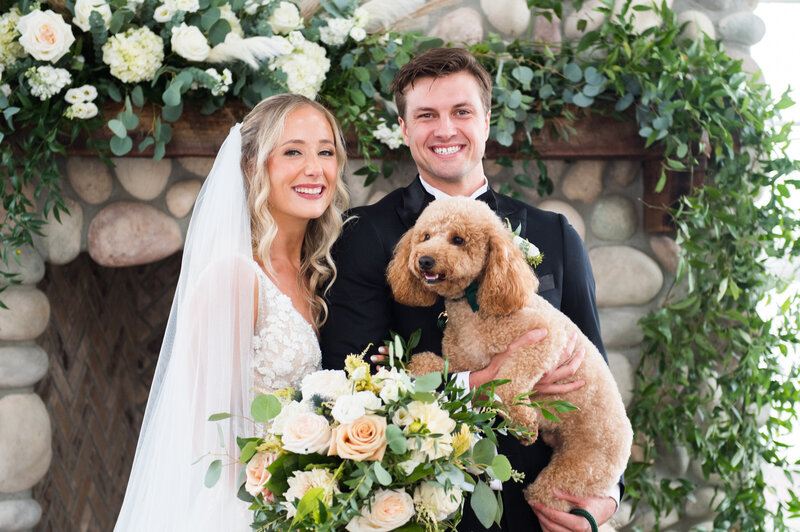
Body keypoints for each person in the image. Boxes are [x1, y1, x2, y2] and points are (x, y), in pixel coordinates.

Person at [320, 48, 620, 531]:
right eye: (426, 115)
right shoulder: (367, 235)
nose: (445, 130)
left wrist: (602, 503)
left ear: (486, 120)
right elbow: (353, 387)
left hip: (538, 515)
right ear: (404, 129)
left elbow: (600, 386)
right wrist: (478, 385)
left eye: (461, 112)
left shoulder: (556, 235)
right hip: (419, 514)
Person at [114, 93, 349, 531]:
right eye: (293, 151)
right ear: (251, 165)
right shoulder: (234, 279)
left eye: (326, 151)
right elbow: (215, 447)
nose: (314, 167)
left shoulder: (317, 276)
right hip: (247, 512)